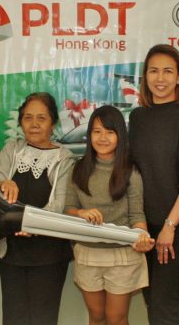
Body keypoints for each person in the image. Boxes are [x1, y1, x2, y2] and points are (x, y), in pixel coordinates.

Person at [128, 44, 179, 325]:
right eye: (153, 71)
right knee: (152, 301)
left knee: (164, 304)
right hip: (145, 227)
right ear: (145, 76)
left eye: (167, 71)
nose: (160, 78)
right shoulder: (138, 118)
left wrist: (169, 226)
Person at [0, 92, 75, 325]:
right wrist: (1, 183)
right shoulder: (11, 151)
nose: (34, 124)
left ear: (53, 122)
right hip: (11, 252)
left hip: (49, 254)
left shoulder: (64, 158)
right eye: (28, 118)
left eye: (41, 118)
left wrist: (31, 224)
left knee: (43, 318)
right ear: (20, 122)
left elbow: (59, 204)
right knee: (13, 318)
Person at [64, 105, 155, 325]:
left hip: (122, 256)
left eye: (109, 131)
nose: (102, 137)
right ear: (89, 136)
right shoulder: (77, 169)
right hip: (88, 254)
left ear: (120, 136)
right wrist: (81, 213)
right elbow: (68, 209)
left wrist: (141, 236)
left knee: (116, 318)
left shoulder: (130, 172)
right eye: (96, 131)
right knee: (96, 316)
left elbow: (136, 215)